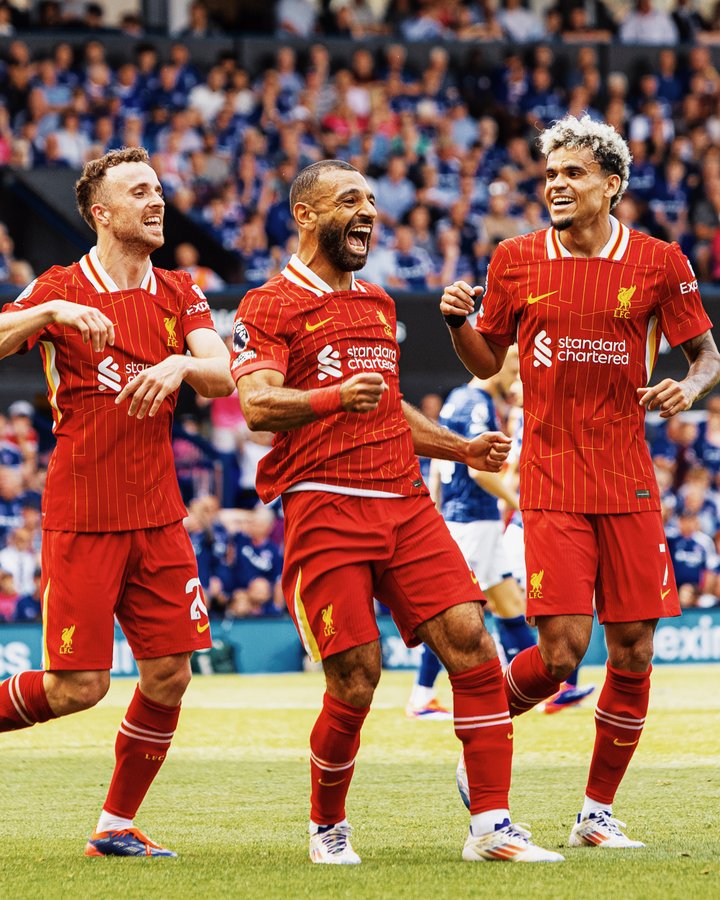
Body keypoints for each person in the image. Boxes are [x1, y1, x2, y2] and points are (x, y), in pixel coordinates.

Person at [231, 159, 563, 865]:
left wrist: (460, 447)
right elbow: (257, 403)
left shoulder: (378, 303)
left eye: (373, 202)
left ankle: (492, 827)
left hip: (405, 503)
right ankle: (327, 824)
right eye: (349, 200)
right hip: (325, 504)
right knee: (356, 677)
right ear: (306, 214)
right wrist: (327, 398)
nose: (368, 212)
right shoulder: (268, 304)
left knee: (474, 645)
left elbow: (385, 407)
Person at [439, 115, 720, 849]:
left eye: (572, 174)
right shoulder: (515, 259)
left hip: (629, 481)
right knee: (562, 652)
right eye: (549, 175)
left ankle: (596, 813)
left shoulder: (659, 262)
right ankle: (486, 727)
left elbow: (709, 357)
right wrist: (455, 326)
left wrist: (689, 389)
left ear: (612, 185)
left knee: (633, 650)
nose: (555, 186)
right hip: (553, 475)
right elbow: (482, 360)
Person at [0, 147, 235, 857]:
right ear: (101, 212)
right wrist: (50, 309)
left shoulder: (178, 291)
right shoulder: (62, 285)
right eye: (140, 192)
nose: (156, 201)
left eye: (159, 189)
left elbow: (222, 375)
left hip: (159, 513)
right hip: (85, 510)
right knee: (79, 687)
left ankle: (114, 826)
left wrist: (180, 362)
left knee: (170, 673)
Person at [406, 364, 594, 721]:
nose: (515, 375)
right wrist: (518, 501)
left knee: (509, 603)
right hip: (472, 519)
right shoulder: (477, 402)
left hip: (475, 519)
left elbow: (437, 460)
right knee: (452, 611)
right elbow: (477, 470)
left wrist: (434, 503)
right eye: (512, 366)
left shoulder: (458, 399)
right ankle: (422, 696)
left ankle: (548, 690)